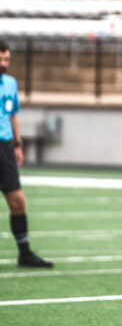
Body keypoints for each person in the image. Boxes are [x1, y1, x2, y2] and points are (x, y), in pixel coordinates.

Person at [0, 40, 53, 268]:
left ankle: (24, 253)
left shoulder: (10, 83)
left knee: (18, 201)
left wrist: (17, 144)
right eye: (1, 59)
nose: (4, 63)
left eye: (7, 59)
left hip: (5, 147)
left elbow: (13, 116)